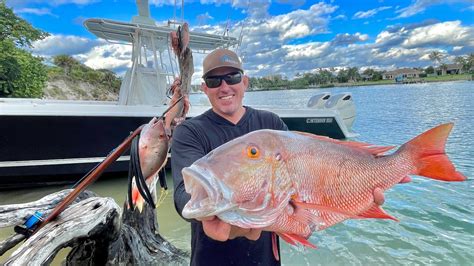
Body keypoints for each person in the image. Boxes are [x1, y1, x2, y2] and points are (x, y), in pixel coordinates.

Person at [171, 48, 287, 266]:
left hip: (266, 260)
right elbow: (182, 197)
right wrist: (219, 216)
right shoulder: (190, 132)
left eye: (232, 77)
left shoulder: (271, 125)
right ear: (204, 88)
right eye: (214, 81)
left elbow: (298, 177)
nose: (224, 87)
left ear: (244, 82)